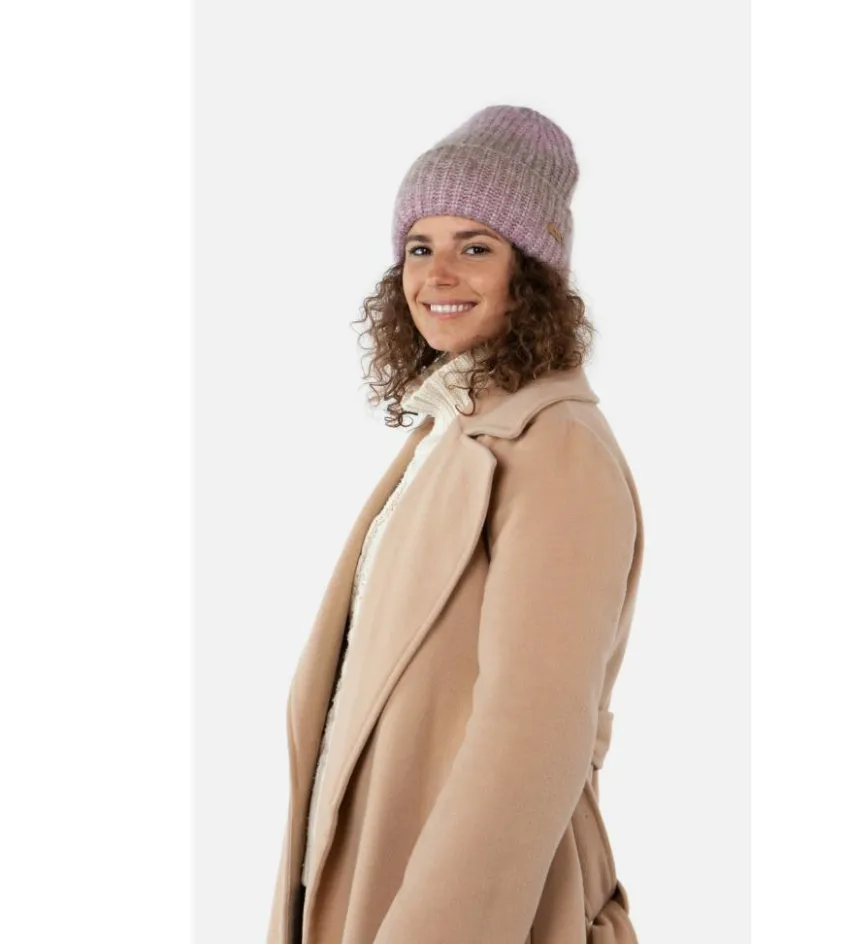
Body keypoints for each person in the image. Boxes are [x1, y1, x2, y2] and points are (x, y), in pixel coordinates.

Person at [266, 104, 645, 944]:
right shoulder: (451, 433)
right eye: (418, 247)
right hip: (366, 872)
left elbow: (529, 742)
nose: (437, 274)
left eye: (475, 247)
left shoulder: (555, 450)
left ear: (532, 274)